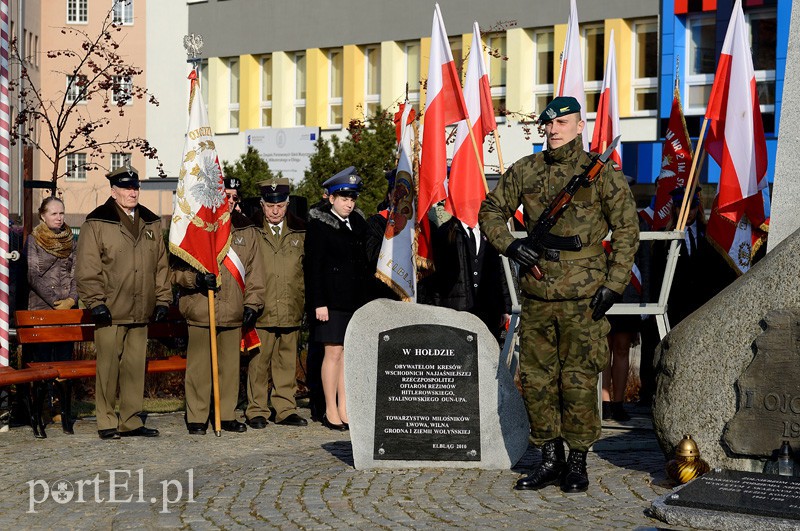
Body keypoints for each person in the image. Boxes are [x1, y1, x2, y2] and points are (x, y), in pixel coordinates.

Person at [478, 96, 639, 492]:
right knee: (536, 380)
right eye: (548, 124)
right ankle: (549, 458)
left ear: (579, 126)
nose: (553, 130)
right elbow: (489, 211)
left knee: (579, 380)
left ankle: (578, 461)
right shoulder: (525, 170)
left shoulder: (601, 174)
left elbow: (627, 230)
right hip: (536, 291)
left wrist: (614, 284)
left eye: (562, 123)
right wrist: (511, 246)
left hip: (585, 295)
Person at [75, 166, 172, 440]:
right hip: (111, 310)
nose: (132, 192)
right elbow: (87, 267)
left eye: (135, 188)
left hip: (141, 309)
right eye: (126, 188)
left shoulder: (151, 222)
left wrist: (163, 299)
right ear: (113, 191)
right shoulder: (97, 222)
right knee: (107, 367)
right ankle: (106, 420)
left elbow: (161, 267)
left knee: (134, 367)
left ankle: (130, 420)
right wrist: (96, 302)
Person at [172, 178, 265, 435]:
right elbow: (175, 274)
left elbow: (256, 273)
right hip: (202, 308)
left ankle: (226, 414)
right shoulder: (196, 227)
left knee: (230, 369)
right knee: (200, 369)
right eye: (225, 195)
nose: (230, 200)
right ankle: (198, 416)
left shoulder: (247, 230)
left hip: (234, 309)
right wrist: (195, 279)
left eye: (234, 197)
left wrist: (252, 305)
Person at [305, 166, 368, 431]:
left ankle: (344, 407)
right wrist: (319, 302)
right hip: (330, 302)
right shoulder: (320, 225)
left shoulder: (359, 223)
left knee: (346, 354)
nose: (349, 203)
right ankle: (330, 408)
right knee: (332, 353)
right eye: (343, 198)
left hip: (353, 300)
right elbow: (313, 267)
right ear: (330, 198)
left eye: (352, 198)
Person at [245, 177, 308, 429]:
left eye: (280, 205)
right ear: (261, 204)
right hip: (262, 307)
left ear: (287, 203)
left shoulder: (300, 232)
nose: (275, 211)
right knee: (259, 362)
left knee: (286, 362)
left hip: (291, 305)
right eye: (270, 205)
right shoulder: (251, 231)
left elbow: (306, 270)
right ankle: (257, 409)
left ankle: (285, 408)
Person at [428, 214, 510, 340]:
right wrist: (437, 309)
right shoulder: (445, 232)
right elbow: (436, 277)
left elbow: (498, 270)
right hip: (457, 310)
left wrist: (505, 307)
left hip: (488, 310)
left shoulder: (490, 230)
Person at [602, 215, 651, 422]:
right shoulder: (597, 214)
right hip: (601, 292)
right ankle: (603, 404)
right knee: (603, 350)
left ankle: (618, 404)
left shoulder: (638, 221)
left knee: (622, 348)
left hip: (629, 293)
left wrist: (645, 301)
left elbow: (645, 264)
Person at [27, 196, 77, 360]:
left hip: (68, 313)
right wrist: (56, 302)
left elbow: (77, 274)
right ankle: (45, 386)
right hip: (43, 310)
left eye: (61, 213)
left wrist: (71, 299)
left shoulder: (71, 240)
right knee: (43, 363)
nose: (59, 217)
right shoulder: (34, 240)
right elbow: (33, 275)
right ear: (43, 215)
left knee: (65, 363)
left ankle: (61, 386)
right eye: (54, 213)